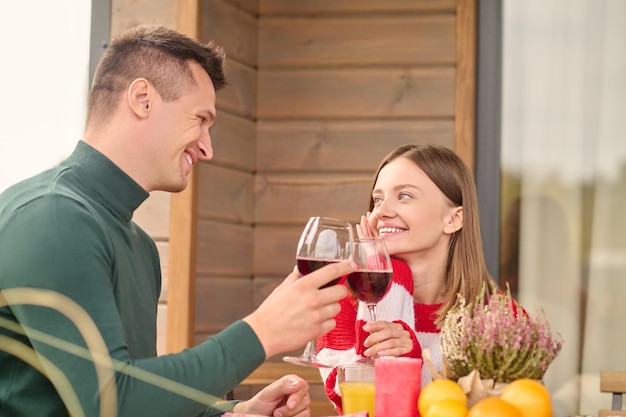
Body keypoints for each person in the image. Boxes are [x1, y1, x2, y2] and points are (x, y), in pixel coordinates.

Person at [0, 25, 354, 417]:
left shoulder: (138, 244)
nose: (207, 147)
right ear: (142, 99)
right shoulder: (52, 218)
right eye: (200, 119)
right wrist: (261, 333)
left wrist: (233, 414)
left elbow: (138, 394)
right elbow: (110, 402)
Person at [316, 144, 499, 413]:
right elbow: (364, 409)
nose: (382, 212)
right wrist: (387, 275)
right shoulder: (342, 302)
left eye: (404, 196)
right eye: (378, 199)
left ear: (453, 219)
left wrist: (410, 358)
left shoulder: (500, 319)